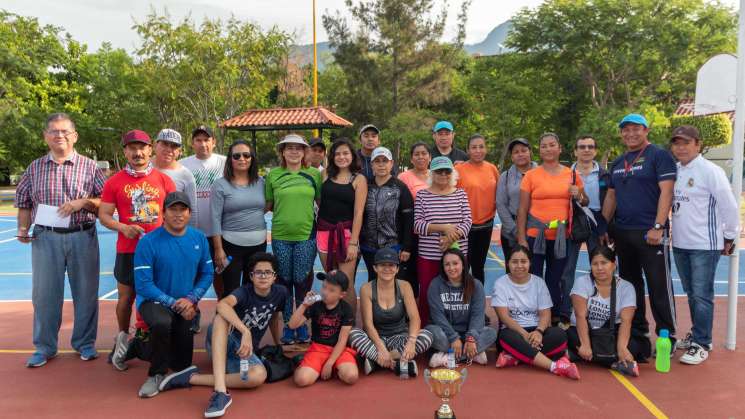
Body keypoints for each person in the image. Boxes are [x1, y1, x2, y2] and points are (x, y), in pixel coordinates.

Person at [15, 113, 106, 367]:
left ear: (75, 136)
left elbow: (105, 203)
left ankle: (85, 344)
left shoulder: (89, 166)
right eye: (54, 131)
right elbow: (23, 202)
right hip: (46, 239)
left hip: (83, 236)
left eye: (65, 131)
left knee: (86, 293)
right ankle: (44, 347)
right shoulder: (34, 168)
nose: (60, 136)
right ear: (46, 136)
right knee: (44, 295)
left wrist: (83, 203)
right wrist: (23, 228)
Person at [158, 252, 286, 418]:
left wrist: (278, 344)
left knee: (258, 376)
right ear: (251, 276)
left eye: (267, 272)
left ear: (274, 276)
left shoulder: (280, 293)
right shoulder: (244, 292)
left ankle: (191, 378)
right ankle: (220, 392)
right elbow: (222, 305)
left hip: (242, 353)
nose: (263, 276)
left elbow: (274, 318)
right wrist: (245, 330)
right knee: (220, 318)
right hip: (223, 342)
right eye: (258, 272)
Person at [100, 129, 176, 371]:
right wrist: (123, 227)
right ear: (125, 152)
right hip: (128, 250)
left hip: (159, 250)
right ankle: (122, 337)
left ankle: (155, 339)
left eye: (142, 147)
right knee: (126, 298)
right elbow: (103, 215)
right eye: (132, 148)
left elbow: (175, 214)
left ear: (150, 149)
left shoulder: (164, 180)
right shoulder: (114, 181)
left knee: (159, 297)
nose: (137, 152)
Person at [601, 114, 677, 344]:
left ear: (646, 130)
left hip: (650, 233)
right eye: (626, 130)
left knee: (658, 286)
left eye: (636, 129)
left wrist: (658, 225)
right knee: (631, 286)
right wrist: (603, 226)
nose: (630, 133)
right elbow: (612, 196)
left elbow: (667, 192)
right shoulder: (618, 162)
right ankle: (638, 330)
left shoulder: (660, 156)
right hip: (623, 233)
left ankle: (667, 335)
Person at [669, 125, 740, 365]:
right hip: (680, 243)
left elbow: (729, 205)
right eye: (677, 143)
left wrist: (730, 236)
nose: (681, 147)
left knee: (702, 295)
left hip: (704, 245)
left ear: (697, 145)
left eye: (686, 143)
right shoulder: (675, 170)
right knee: (692, 294)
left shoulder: (711, 171)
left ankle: (702, 343)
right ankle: (697, 335)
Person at [132, 191, 213, 397]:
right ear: (163, 213)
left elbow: (207, 273)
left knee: (181, 364)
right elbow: (143, 285)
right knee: (161, 323)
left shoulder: (199, 239)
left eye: (182, 210)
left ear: (189, 213)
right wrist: (172, 302)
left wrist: (191, 299)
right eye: (172, 209)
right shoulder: (148, 241)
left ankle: (136, 346)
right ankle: (156, 374)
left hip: (184, 302)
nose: (178, 214)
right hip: (154, 300)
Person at [517, 132, 586, 322]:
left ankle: (554, 316)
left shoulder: (571, 174)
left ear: (559, 148)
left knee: (555, 279)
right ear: (539, 151)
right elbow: (522, 209)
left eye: (552, 145)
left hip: (561, 238)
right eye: (544, 146)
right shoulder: (531, 175)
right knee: (534, 278)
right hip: (535, 235)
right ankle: (533, 315)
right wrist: (522, 239)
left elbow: (585, 200)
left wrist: (579, 194)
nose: (548, 149)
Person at [265, 134, 321, 345]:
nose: (294, 151)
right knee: (285, 283)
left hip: (306, 236)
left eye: (299, 148)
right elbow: (267, 205)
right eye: (289, 148)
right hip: (280, 236)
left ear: (305, 151)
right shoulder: (273, 175)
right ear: (283, 152)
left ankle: (303, 324)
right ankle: (289, 325)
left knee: (302, 282)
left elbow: (321, 203)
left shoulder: (314, 175)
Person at [491, 246, 580, 379]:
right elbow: (504, 317)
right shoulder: (500, 284)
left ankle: (516, 356)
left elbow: (545, 314)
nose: (519, 265)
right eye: (514, 262)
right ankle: (554, 366)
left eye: (523, 261)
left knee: (560, 335)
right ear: (507, 263)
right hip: (514, 331)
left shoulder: (538, 283)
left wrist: (539, 332)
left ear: (530, 263)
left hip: (537, 331)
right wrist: (524, 335)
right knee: (505, 337)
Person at [349, 248, 433, 376]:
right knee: (353, 334)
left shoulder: (405, 286)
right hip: (376, 339)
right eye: (382, 265)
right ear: (375, 268)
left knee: (427, 336)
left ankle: (378, 361)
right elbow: (368, 324)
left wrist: (411, 342)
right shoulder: (366, 289)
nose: (387, 269)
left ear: (397, 268)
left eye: (391, 265)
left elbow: (415, 318)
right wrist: (380, 347)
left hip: (399, 338)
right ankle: (398, 362)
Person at [414, 156, 472, 325]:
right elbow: (418, 225)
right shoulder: (422, 195)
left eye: (447, 171)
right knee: (427, 292)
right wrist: (444, 227)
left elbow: (467, 222)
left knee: (456, 292)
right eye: (439, 171)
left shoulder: (461, 194)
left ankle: (456, 327)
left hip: (456, 255)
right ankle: (426, 328)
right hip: (429, 256)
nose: (443, 175)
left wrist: (449, 239)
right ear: (432, 173)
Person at [568, 246, 643, 376]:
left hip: (612, 332)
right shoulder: (582, 282)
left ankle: (584, 356)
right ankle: (613, 362)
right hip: (585, 331)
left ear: (613, 264)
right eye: (595, 264)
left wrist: (621, 349)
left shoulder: (626, 287)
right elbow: (580, 316)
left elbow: (626, 321)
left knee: (637, 345)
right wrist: (585, 344)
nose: (600, 268)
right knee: (567, 337)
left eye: (604, 263)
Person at [560, 135, 610, 324]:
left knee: (600, 267)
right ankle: (566, 310)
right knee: (567, 269)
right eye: (582, 147)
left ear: (595, 150)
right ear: (575, 151)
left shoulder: (605, 174)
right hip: (573, 221)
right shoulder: (566, 173)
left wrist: (605, 226)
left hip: (597, 223)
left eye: (590, 146)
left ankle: (599, 307)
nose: (586, 150)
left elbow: (611, 201)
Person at [317, 138, 367, 315]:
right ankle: (333, 321)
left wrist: (353, 242)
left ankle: (350, 326)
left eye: (345, 153)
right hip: (324, 232)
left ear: (352, 156)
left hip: (346, 235)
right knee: (332, 281)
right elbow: (320, 202)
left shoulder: (359, 179)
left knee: (346, 282)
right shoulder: (325, 175)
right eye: (337, 153)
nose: (341, 157)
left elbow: (358, 213)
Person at [211, 140, 267, 297]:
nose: (242, 159)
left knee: (253, 289)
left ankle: (248, 322)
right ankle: (230, 321)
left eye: (246, 155)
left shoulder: (261, 182)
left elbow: (266, 206)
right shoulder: (220, 185)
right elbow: (215, 218)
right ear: (230, 159)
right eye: (237, 156)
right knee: (232, 290)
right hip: (231, 246)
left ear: (252, 158)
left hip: (258, 245)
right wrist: (218, 249)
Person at [426, 249, 496, 366]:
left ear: (463, 265)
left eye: (455, 263)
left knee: (491, 333)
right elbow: (438, 316)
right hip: (445, 334)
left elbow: (477, 315)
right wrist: (453, 338)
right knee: (430, 332)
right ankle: (472, 354)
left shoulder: (475, 284)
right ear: (443, 267)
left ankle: (448, 357)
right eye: (447, 264)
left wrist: (471, 338)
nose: (451, 268)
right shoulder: (436, 284)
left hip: (468, 332)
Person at [289, 271, 358, 387]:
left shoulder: (346, 309)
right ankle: (310, 364)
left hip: (339, 350)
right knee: (301, 380)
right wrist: (304, 305)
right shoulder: (316, 305)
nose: (325, 292)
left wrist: (329, 363)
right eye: (324, 287)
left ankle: (331, 366)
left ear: (342, 294)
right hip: (318, 348)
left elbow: (342, 340)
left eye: (331, 290)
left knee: (351, 377)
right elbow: (292, 325)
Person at [180, 125, 227, 296]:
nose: (203, 144)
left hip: (220, 232)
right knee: (192, 275)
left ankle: (222, 309)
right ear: (192, 143)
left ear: (213, 142)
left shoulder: (226, 162)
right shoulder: (182, 165)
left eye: (206, 140)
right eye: (198, 140)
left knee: (220, 274)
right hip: (192, 232)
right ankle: (191, 312)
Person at [360, 146, 414, 284]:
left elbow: (409, 219)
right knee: (373, 281)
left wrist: (407, 247)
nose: (381, 164)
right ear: (372, 164)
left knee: (393, 283)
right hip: (369, 247)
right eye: (377, 161)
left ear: (391, 163)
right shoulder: (366, 185)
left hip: (393, 246)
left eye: (385, 161)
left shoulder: (400, 187)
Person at [455, 134, 500, 284]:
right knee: (463, 266)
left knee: (479, 266)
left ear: (486, 149)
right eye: (474, 147)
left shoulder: (492, 169)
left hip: (486, 225)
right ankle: (461, 300)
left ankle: (477, 300)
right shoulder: (459, 169)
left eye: (481, 146)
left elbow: (499, 193)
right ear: (467, 150)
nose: (478, 150)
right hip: (465, 227)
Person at [397, 142, 432, 297]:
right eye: (416, 154)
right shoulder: (403, 177)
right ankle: (411, 311)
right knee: (410, 274)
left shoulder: (437, 175)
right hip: (411, 233)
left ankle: (428, 310)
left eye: (424, 153)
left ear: (430, 157)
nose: (420, 157)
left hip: (432, 234)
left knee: (429, 274)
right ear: (411, 158)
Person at [496, 138, 536, 270]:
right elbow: (501, 205)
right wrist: (516, 231)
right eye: (516, 152)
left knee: (535, 271)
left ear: (530, 152)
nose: (520, 154)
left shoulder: (541, 173)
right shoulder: (505, 176)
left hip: (537, 231)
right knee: (513, 272)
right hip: (511, 232)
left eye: (524, 150)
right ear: (512, 157)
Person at [153, 129, 198, 228]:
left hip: (172, 234)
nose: (169, 149)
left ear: (179, 151)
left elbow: (192, 211)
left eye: (174, 146)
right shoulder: (141, 168)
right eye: (165, 144)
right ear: (155, 145)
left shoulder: (186, 175)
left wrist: (189, 237)